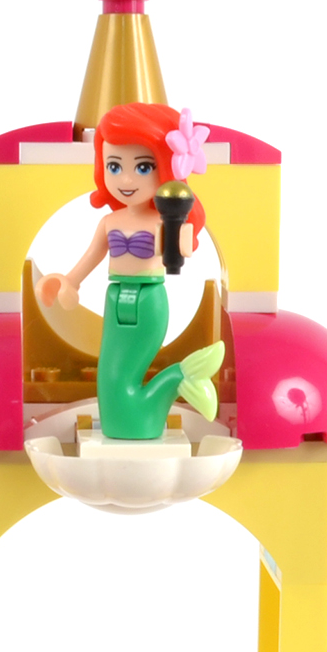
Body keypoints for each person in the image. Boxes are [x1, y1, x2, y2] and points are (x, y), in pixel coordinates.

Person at [38, 101, 226, 440]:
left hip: (150, 300)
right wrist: (68, 282)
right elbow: (90, 257)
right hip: (114, 298)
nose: (125, 179)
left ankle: (178, 381)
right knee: (110, 377)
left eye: (143, 167)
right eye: (114, 165)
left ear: (166, 167)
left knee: (123, 372)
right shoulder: (110, 222)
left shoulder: (163, 220)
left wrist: (180, 226)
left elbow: (182, 250)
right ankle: (176, 382)